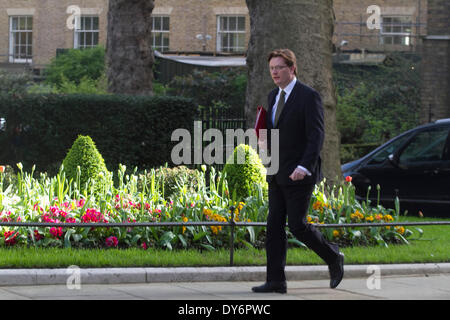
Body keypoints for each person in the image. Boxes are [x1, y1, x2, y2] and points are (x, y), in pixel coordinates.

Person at [252, 49, 344, 294]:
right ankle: (275, 281)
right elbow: (274, 131)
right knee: (273, 227)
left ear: (292, 68)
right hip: (277, 172)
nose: (275, 72)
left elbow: (316, 136)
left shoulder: (308, 97)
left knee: (297, 225)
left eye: (279, 67)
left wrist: (304, 166)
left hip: (300, 173)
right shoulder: (273, 96)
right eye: (272, 68)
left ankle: (333, 256)